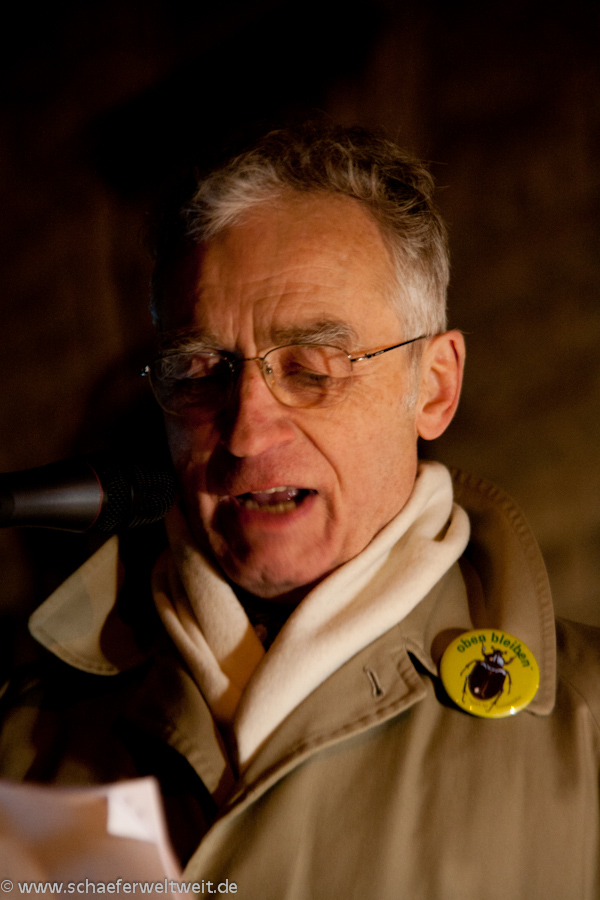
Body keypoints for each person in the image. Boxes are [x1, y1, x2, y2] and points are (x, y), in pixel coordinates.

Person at [1, 122, 600, 899]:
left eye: (312, 367)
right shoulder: (25, 746)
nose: (246, 433)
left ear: (435, 386)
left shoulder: (588, 729)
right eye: (199, 371)